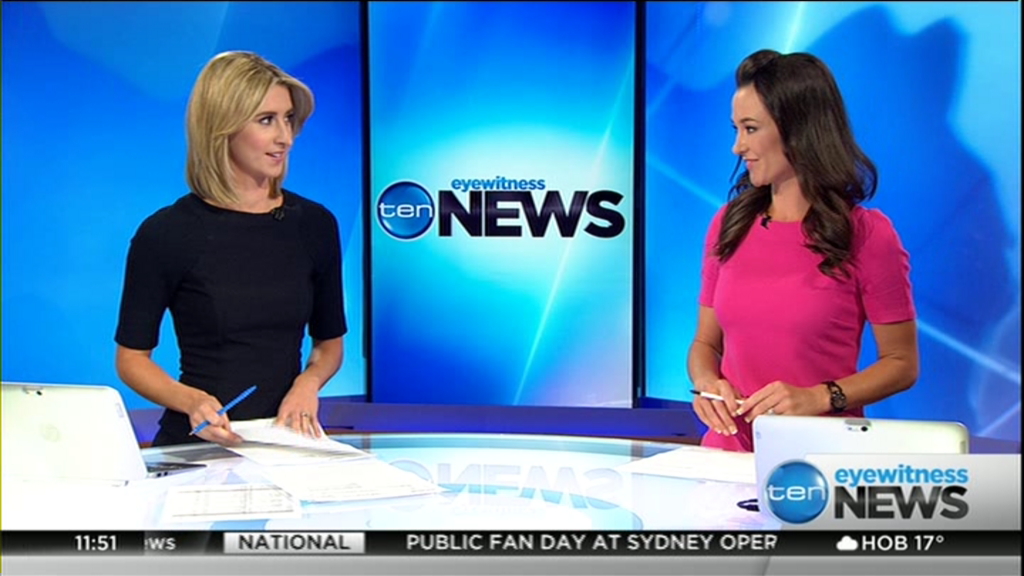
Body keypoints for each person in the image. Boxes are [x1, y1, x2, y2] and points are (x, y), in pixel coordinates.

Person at [688, 49, 919, 452]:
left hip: (819, 461)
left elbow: (901, 364)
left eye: (750, 129)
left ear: (798, 129)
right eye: (736, 129)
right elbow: (705, 345)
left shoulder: (867, 235)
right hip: (725, 459)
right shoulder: (728, 224)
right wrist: (706, 385)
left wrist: (820, 397)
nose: (738, 147)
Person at [114, 51, 347, 447]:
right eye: (266, 120)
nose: (285, 137)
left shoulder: (314, 224)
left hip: (285, 442)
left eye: (288, 118)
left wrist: (308, 384)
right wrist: (192, 401)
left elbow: (329, 345)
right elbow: (132, 360)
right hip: (201, 444)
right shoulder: (167, 234)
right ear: (222, 127)